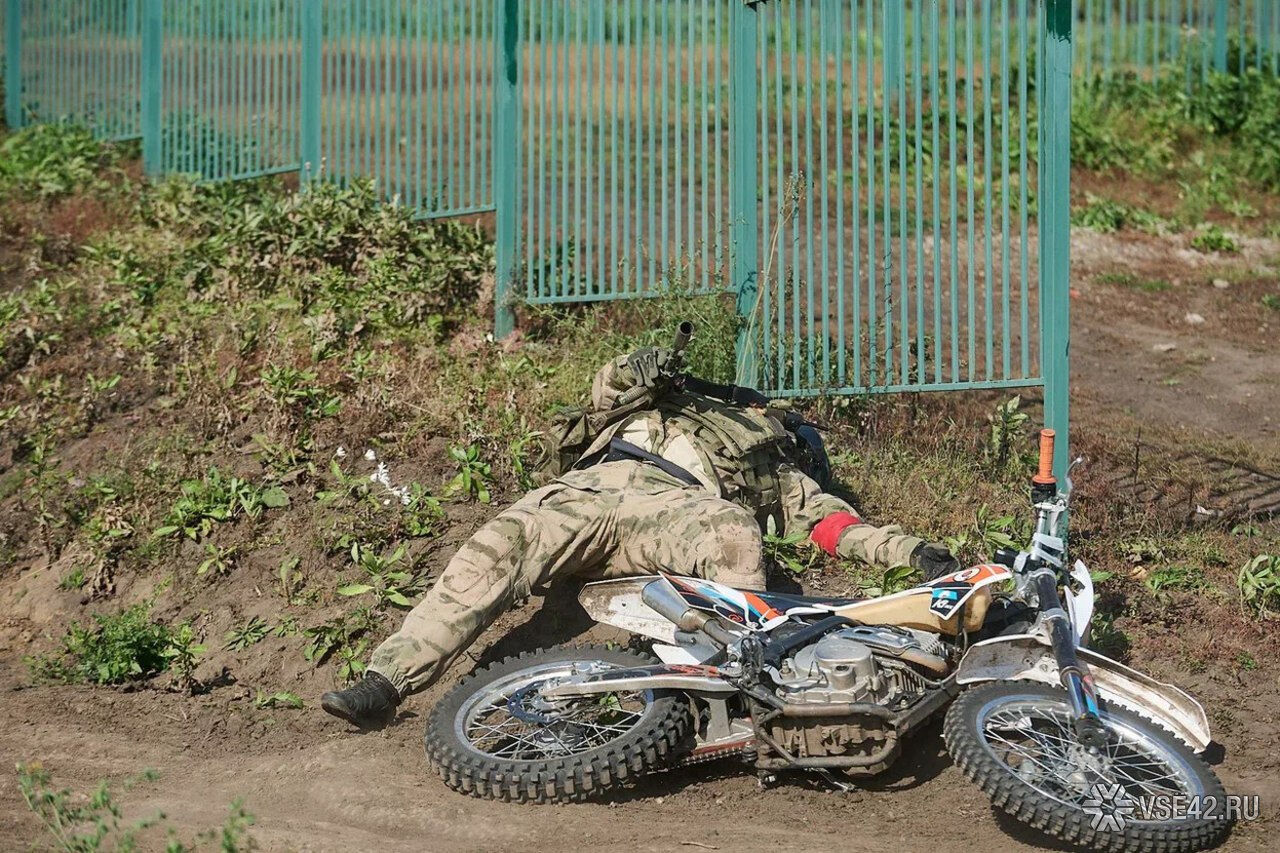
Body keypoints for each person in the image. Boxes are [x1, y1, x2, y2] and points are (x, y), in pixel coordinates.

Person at [320, 338, 960, 727]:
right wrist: (643, 368)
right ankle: (386, 681)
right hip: (588, 491)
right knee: (501, 542)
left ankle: (736, 690)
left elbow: (833, 524)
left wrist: (912, 552)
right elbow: (609, 384)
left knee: (734, 532)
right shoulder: (651, 401)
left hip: (675, 509)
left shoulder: (771, 464)